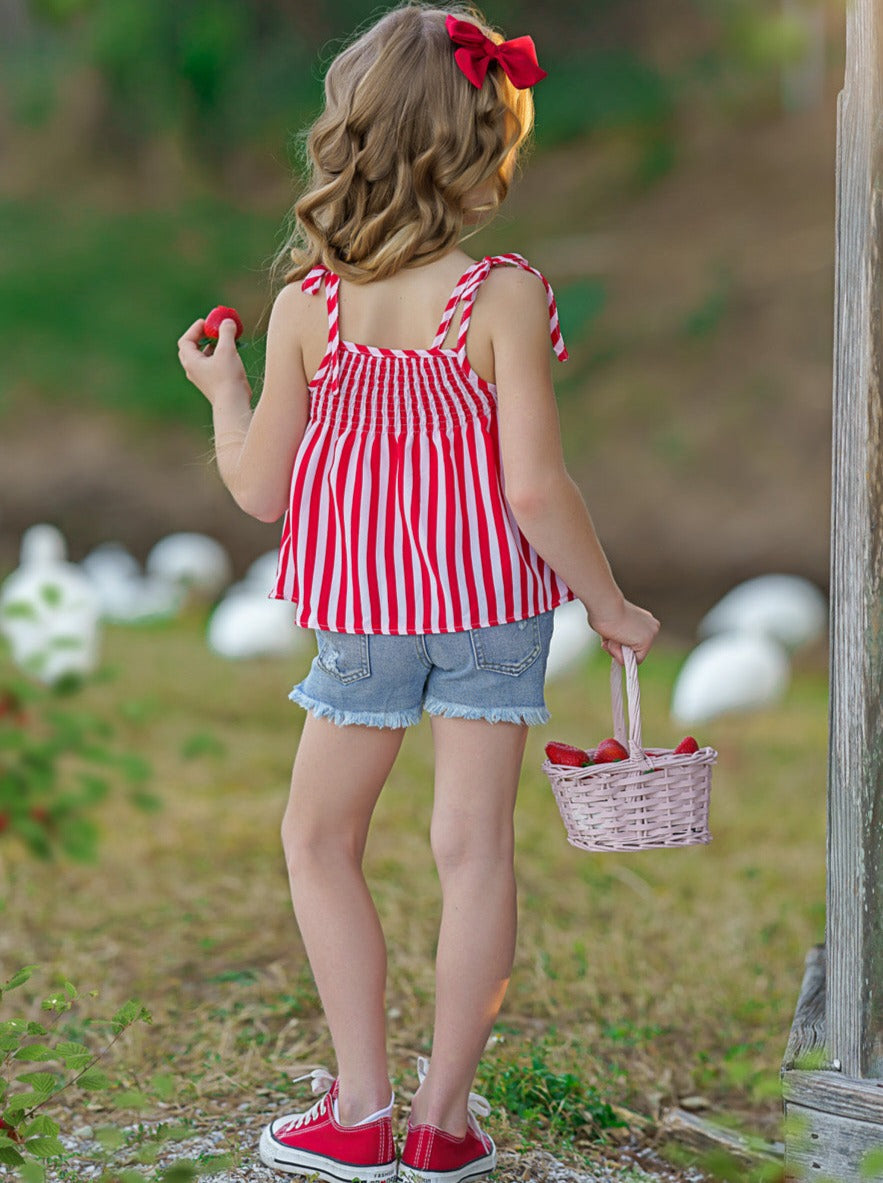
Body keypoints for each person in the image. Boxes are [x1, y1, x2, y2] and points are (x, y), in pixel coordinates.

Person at [177, 5, 660, 1181]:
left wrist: (222, 389)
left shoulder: (307, 306)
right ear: (481, 143)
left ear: (350, 135)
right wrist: (607, 603)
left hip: (363, 615)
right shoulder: (501, 292)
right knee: (473, 853)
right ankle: (442, 1127)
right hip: (493, 609)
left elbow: (257, 492)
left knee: (317, 839)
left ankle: (357, 1111)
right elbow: (537, 490)